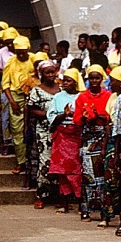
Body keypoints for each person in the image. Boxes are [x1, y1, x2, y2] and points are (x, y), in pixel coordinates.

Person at [75, 65, 112, 221]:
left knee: (103, 176)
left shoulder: (109, 95)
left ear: (102, 78)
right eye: (92, 78)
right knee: (87, 175)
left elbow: (111, 117)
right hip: (88, 138)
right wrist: (85, 117)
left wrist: (99, 116)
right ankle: (86, 209)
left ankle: (104, 211)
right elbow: (76, 120)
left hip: (104, 136)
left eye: (97, 78)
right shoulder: (82, 97)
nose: (94, 81)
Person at [48, 68, 85, 213]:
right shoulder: (58, 97)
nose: (66, 83)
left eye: (69, 81)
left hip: (77, 136)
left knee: (77, 171)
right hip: (62, 136)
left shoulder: (82, 96)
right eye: (65, 81)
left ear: (76, 82)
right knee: (62, 171)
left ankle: (80, 203)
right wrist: (65, 114)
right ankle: (64, 202)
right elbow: (52, 118)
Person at [28, 60, 61, 209]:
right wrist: (49, 115)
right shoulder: (36, 91)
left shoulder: (61, 90)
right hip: (43, 130)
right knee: (45, 161)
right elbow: (31, 110)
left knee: (60, 161)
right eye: (47, 72)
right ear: (41, 74)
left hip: (60, 131)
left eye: (52, 72)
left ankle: (60, 196)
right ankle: (42, 195)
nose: (50, 75)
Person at [103, 65, 121, 231]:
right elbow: (111, 124)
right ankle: (118, 218)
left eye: (113, 80)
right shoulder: (114, 97)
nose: (110, 83)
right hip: (117, 141)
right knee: (116, 180)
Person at [1, 36, 35, 174]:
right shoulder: (11, 62)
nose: (20, 55)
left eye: (23, 52)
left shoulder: (33, 59)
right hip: (16, 96)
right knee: (17, 130)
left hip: (33, 95)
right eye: (18, 52)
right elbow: (5, 84)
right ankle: (21, 162)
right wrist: (12, 102)